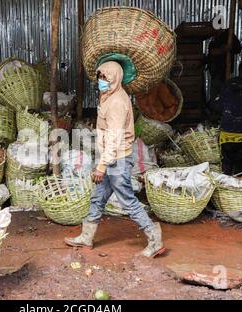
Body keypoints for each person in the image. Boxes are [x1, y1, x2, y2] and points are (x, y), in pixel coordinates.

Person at [64, 61, 166, 258]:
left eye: (106, 77)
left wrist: (101, 166)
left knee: (128, 201)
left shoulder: (118, 102)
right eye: (100, 77)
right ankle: (87, 236)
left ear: (116, 78)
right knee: (98, 198)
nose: (102, 81)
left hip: (117, 159)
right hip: (111, 158)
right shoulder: (108, 96)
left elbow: (114, 137)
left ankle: (155, 240)